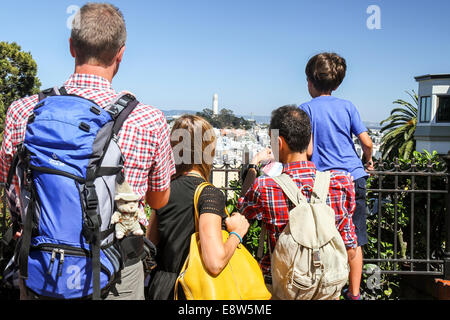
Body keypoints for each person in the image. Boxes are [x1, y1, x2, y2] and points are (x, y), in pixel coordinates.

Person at [0, 3, 175, 300]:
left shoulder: (23, 112)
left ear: (72, 47)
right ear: (121, 53)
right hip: (116, 269)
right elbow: (159, 199)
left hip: (41, 265)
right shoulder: (148, 119)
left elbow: (9, 186)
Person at [238, 105, 358, 296]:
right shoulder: (341, 182)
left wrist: (253, 166)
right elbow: (350, 246)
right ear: (309, 140)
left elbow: (240, 214)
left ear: (279, 143)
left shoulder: (265, 187)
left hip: (285, 288)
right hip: (327, 288)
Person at [146, 115, 250, 300]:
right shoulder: (209, 194)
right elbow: (215, 262)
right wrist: (237, 233)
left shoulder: (163, 190)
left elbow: (151, 243)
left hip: (159, 287)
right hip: (189, 290)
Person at [299, 52, 374, 300]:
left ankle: (324, 289)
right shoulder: (348, 106)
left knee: (321, 238)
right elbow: (367, 142)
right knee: (355, 238)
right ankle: (354, 294)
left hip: (324, 183)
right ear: (337, 83)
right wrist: (368, 160)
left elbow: (308, 149)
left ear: (310, 81)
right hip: (353, 177)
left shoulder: (306, 109)